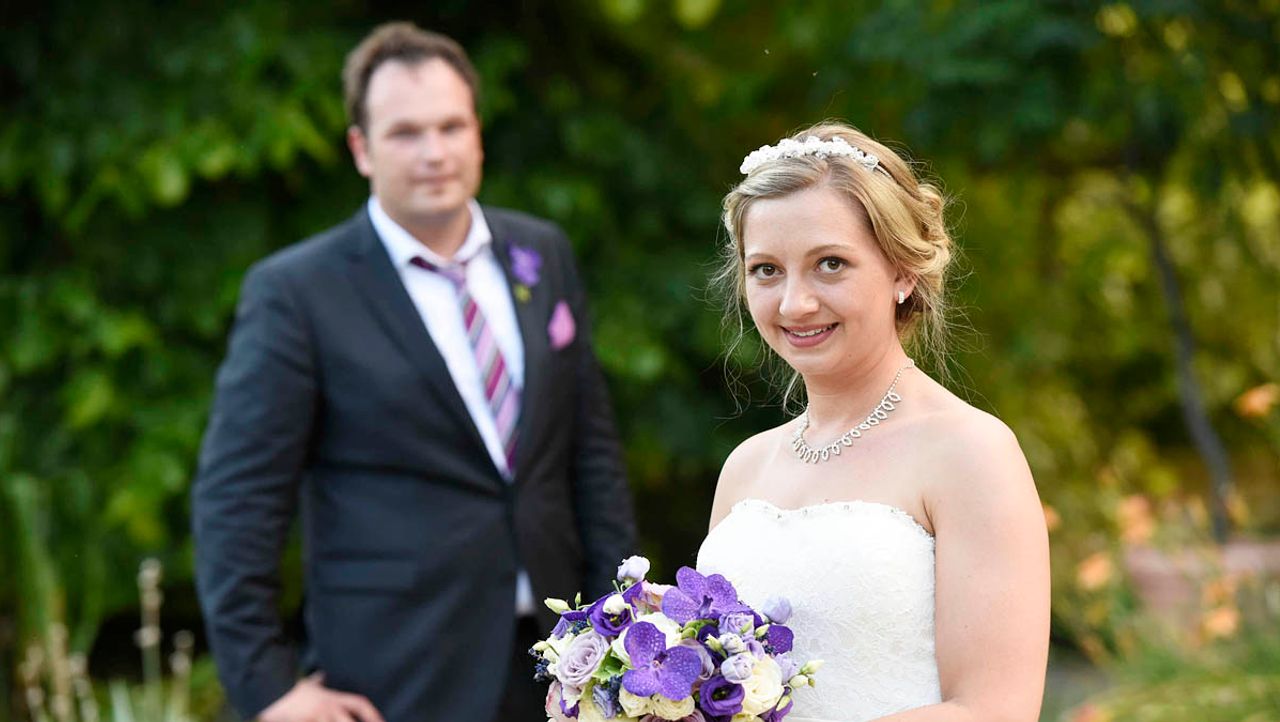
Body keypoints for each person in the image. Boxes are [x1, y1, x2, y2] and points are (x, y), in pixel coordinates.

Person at [191, 22, 636, 722]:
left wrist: (624, 626)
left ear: (478, 134)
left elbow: (591, 453)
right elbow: (237, 501)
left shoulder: (541, 254)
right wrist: (269, 688)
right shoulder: (298, 293)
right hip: (396, 675)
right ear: (361, 149)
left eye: (451, 126)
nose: (435, 152)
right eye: (405, 133)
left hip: (563, 667)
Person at [697, 123, 1049, 721]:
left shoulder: (970, 451)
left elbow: (996, 710)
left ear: (902, 272)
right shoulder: (745, 468)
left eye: (830, 264)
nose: (795, 303)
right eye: (766, 270)